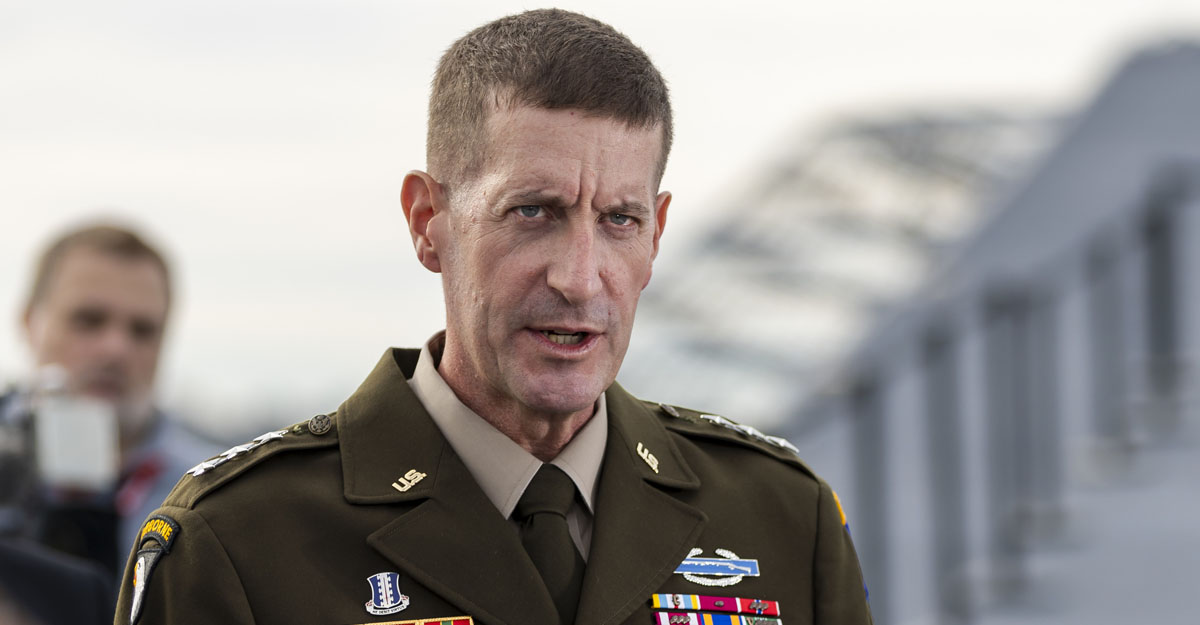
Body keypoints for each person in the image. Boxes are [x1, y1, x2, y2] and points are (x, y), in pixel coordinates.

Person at [115, 9, 873, 625]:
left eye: (619, 219)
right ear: (428, 222)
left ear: (657, 236)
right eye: (533, 211)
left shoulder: (783, 518)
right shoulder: (239, 541)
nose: (579, 278)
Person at [0, 224, 221, 579]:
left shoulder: (216, 494)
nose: (116, 349)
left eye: (142, 330)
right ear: (29, 322)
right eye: (88, 321)